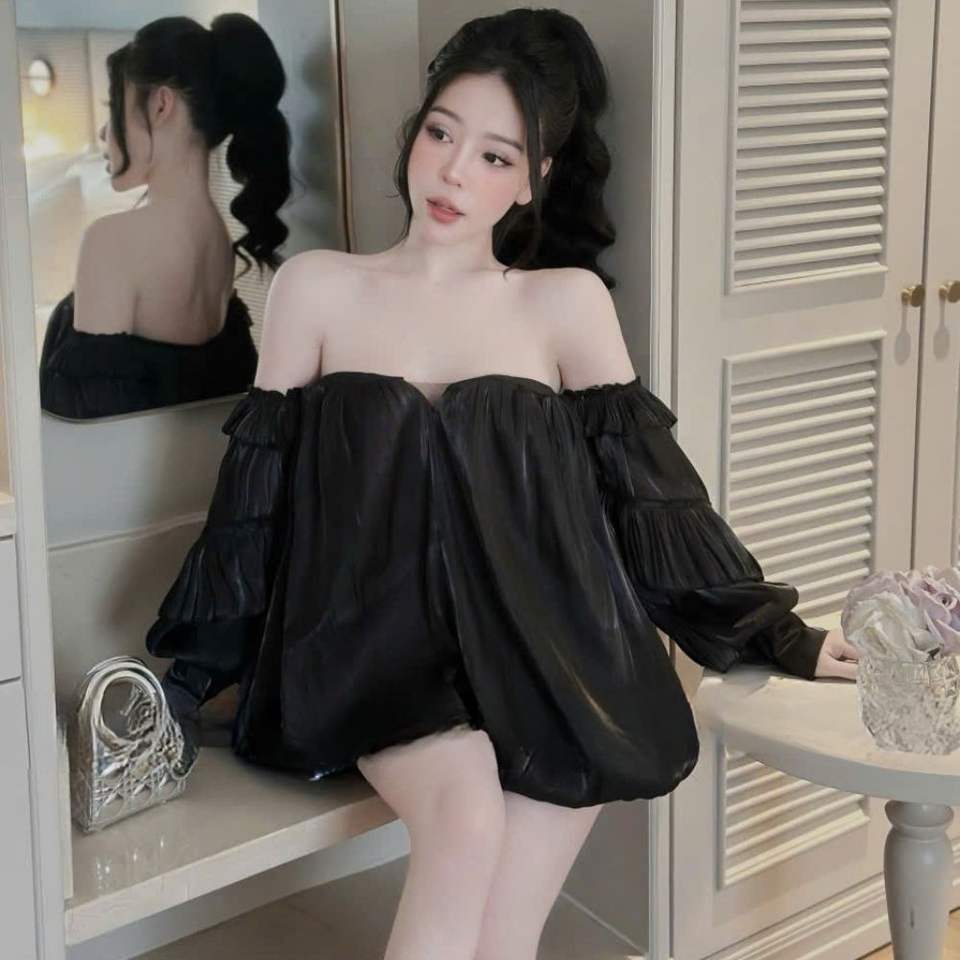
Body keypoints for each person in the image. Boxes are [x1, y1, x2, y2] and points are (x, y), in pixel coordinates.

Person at [144, 9, 860, 959]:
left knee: (505, 940)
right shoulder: (316, 287)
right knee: (466, 818)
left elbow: (650, 502)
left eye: (495, 156)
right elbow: (255, 503)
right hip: (369, 649)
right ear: (415, 133)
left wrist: (775, 632)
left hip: (551, 646)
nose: (453, 174)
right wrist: (193, 678)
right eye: (442, 134)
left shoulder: (565, 304)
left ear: (534, 177)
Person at [38, 13, 291, 419]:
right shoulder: (219, 244)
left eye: (113, 107)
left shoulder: (111, 241)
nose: (104, 133)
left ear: (160, 104)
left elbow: (89, 424)